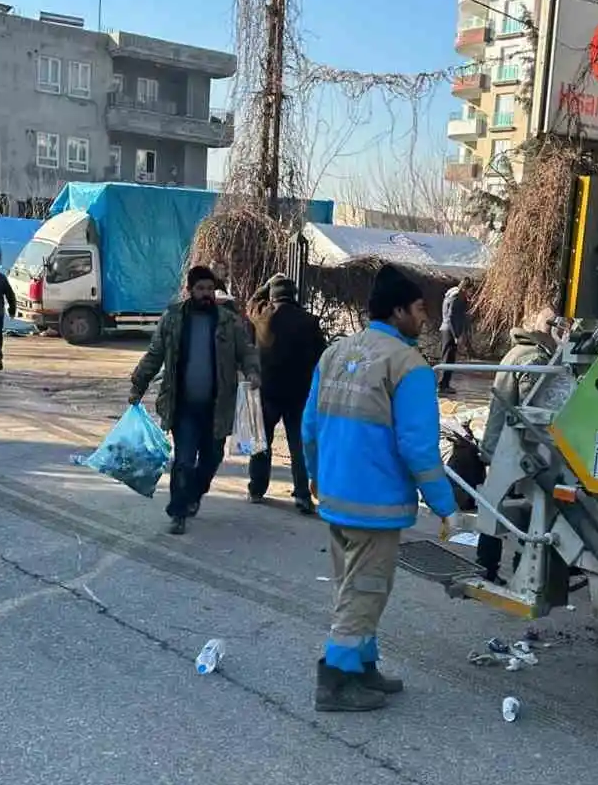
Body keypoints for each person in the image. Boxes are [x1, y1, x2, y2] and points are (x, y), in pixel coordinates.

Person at [303, 263, 461, 712]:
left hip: (336, 495)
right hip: (375, 504)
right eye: (418, 308)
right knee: (366, 590)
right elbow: (419, 448)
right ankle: (334, 681)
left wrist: (315, 473)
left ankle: (361, 668)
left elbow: (309, 423)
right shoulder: (408, 366)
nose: (425, 318)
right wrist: (446, 507)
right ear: (397, 311)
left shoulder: (335, 353)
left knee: (352, 587)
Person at [130, 265, 260, 536]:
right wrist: (138, 386)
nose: (206, 294)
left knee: (211, 459)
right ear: (190, 291)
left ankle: (194, 494)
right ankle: (178, 512)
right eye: (200, 289)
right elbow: (155, 355)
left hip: (217, 406)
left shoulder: (228, 321)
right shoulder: (174, 319)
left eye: (210, 289)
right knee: (184, 460)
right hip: (184, 406)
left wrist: (253, 371)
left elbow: (246, 351)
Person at [477, 306, 558, 583]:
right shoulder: (535, 358)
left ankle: (485, 568)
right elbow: (533, 410)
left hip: (497, 443)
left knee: (496, 504)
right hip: (514, 448)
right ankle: (521, 569)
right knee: (527, 507)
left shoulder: (517, 352)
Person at [246, 274, 326, 514]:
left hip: (267, 391)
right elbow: (321, 356)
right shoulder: (309, 321)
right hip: (298, 393)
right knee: (298, 445)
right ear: (294, 295)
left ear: (272, 295)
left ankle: (257, 489)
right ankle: (302, 495)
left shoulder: (261, 315)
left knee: (262, 443)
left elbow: (251, 301)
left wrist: (266, 283)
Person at [437, 277, 474, 394]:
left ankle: (445, 384)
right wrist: (456, 335)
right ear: (465, 288)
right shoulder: (456, 297)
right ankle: (443, 385)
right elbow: (451, 316)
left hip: (447, 329)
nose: (471, 293)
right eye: (470, 290)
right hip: (449, 330)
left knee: (449, 358)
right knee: (447, 358)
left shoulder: (452, 295)